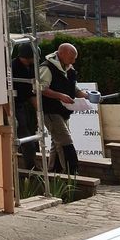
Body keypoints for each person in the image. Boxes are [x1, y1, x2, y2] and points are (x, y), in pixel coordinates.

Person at [36, 42, 84, 176]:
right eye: (72, 57)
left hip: (63, 111)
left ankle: (54, 170)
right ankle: (71, 172)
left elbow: (73, 87)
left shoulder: (68, 67)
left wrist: (86, 95)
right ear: (61, 54)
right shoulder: (47, 68)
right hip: (51, 111)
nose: (74, 60)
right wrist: (60, 96)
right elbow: (41, 88)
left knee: (57, 140)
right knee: (65, 141)